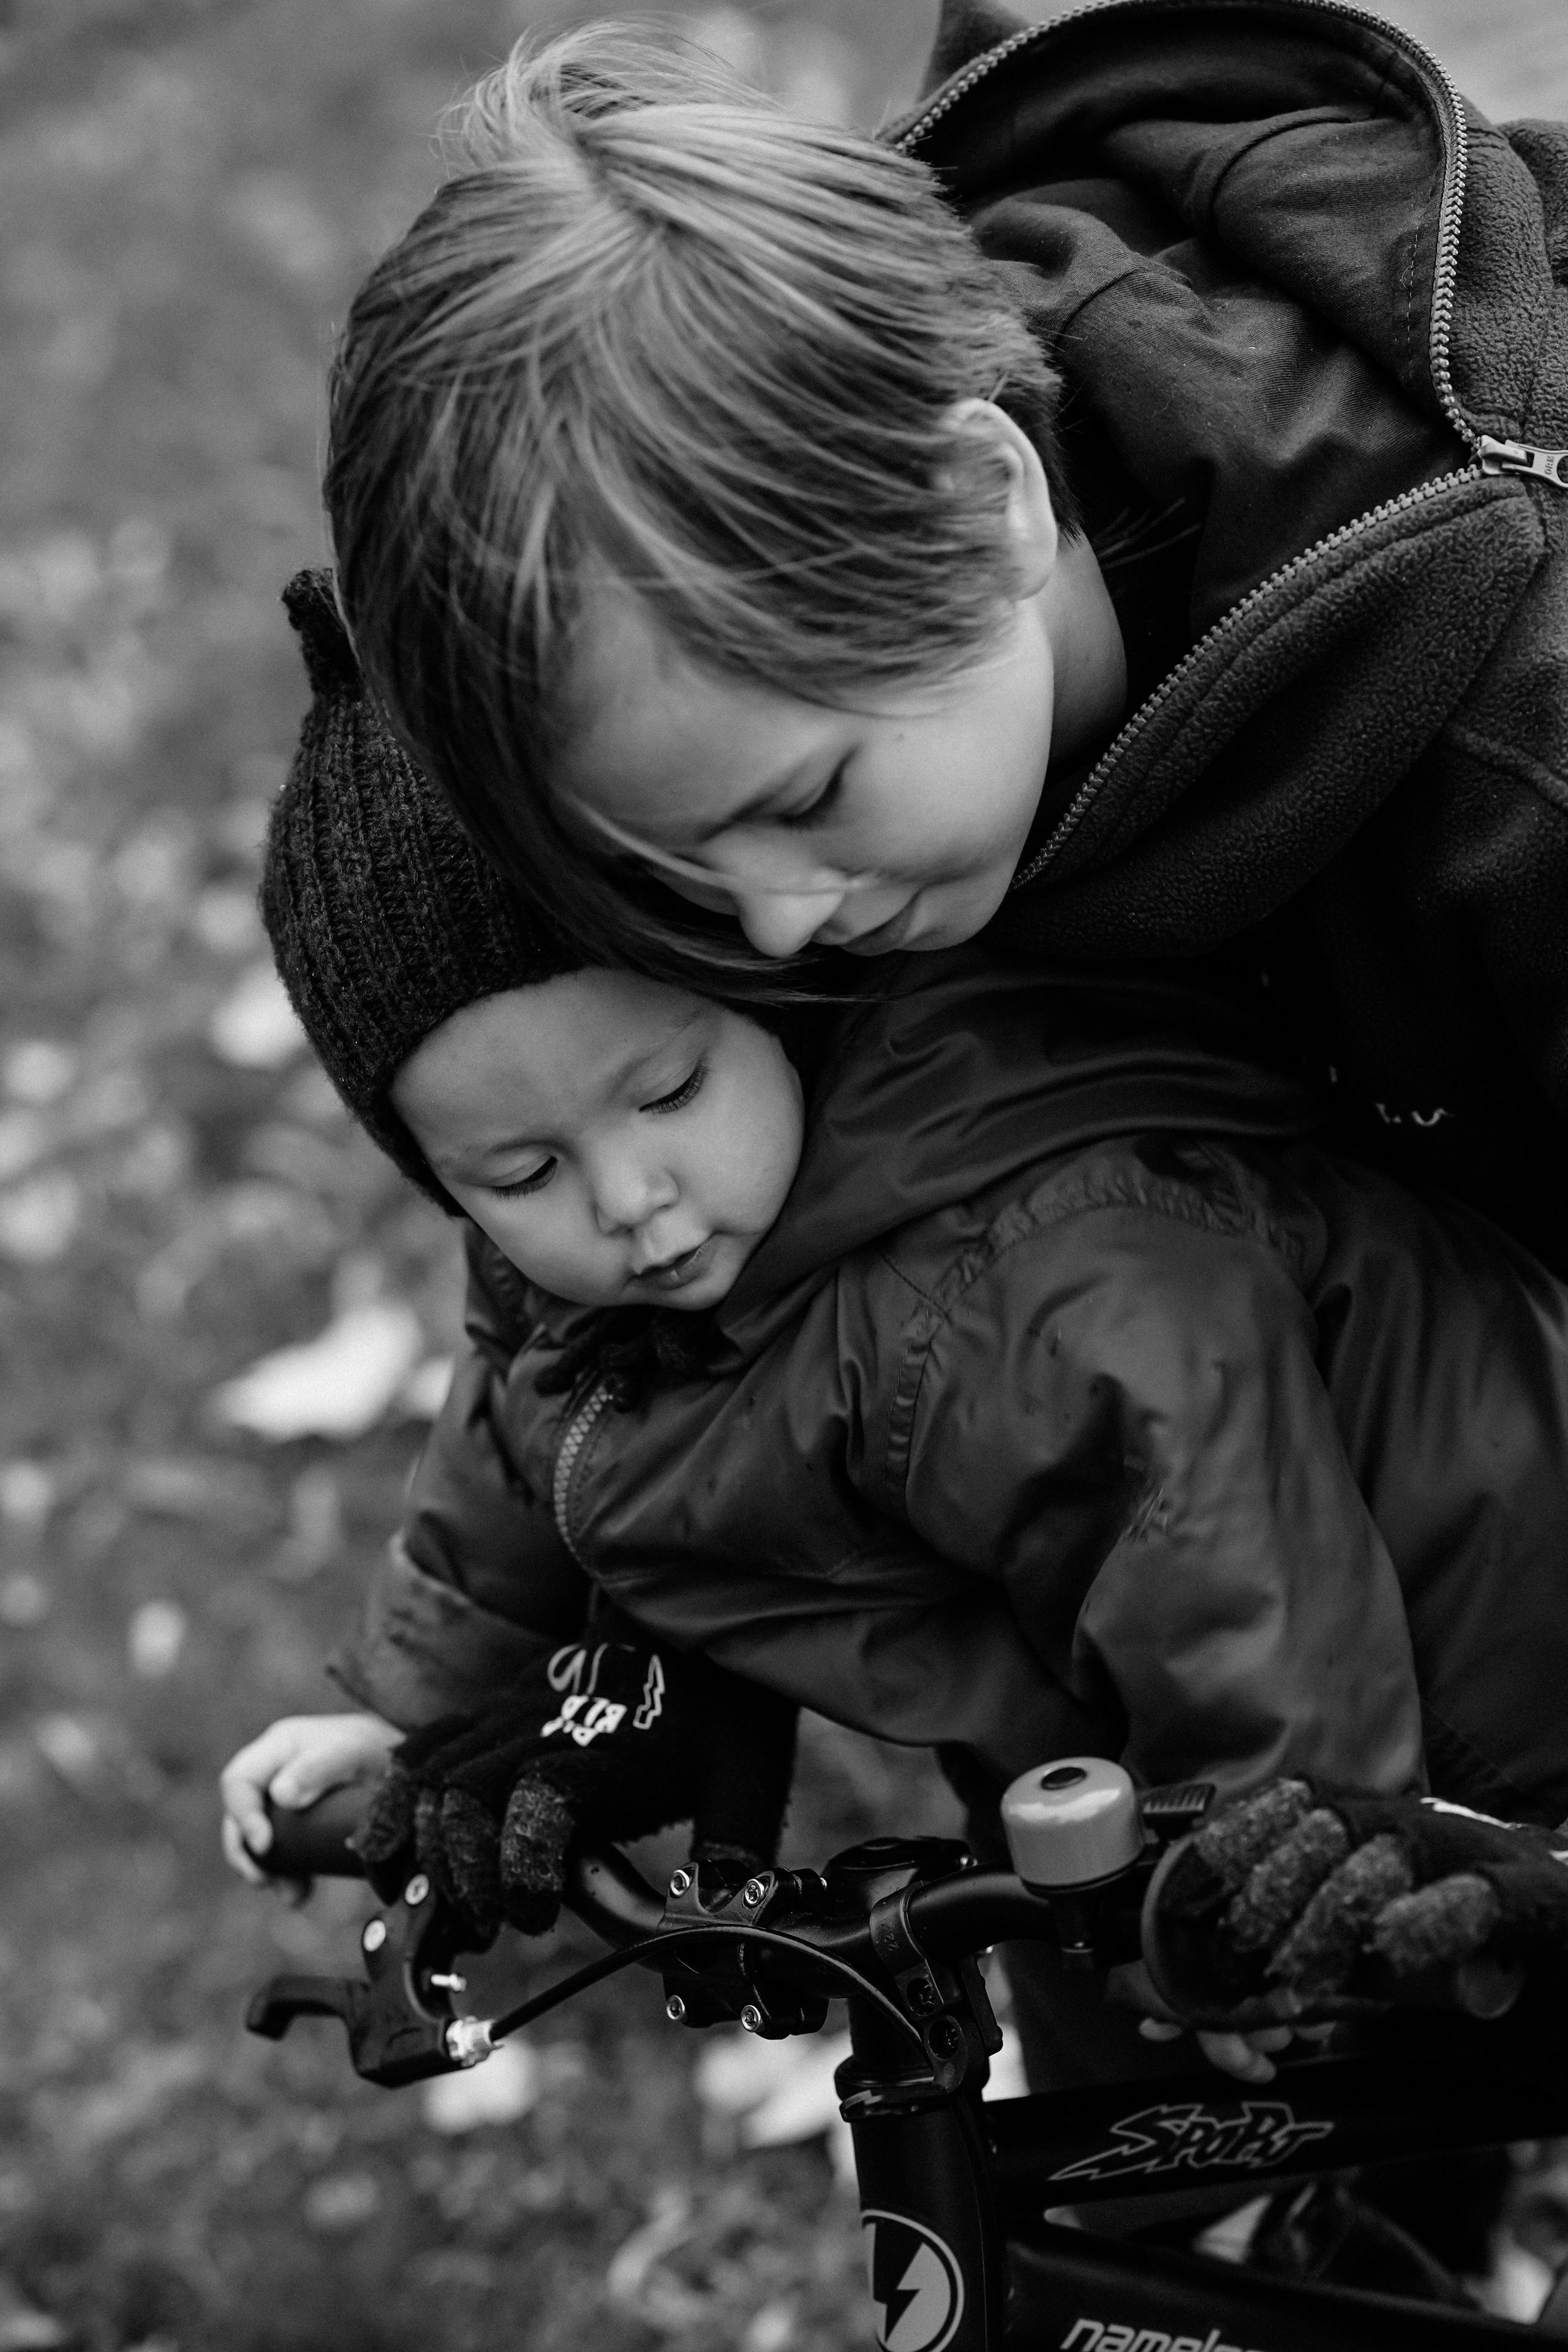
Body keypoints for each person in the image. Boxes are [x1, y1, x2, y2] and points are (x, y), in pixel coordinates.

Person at [223, 574, 1568, 2098]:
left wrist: (1258, 1894)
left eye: (666, 1094)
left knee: (1345, 2066)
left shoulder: (1027, 1271)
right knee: (1110, 2124)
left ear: (770, 990)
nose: (630, 1202)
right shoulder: (624, 1256)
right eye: (518, 1175)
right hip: (1114, 1748)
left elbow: (1234, 1573)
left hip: (1472, 1707)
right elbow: (532, 1420)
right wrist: (402, 1707)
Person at [323, 9, 1568, 1275]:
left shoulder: (1521, 777)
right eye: (672, 865)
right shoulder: (815, 612)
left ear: (986, 505)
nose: (765, 931)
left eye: (808, 798)